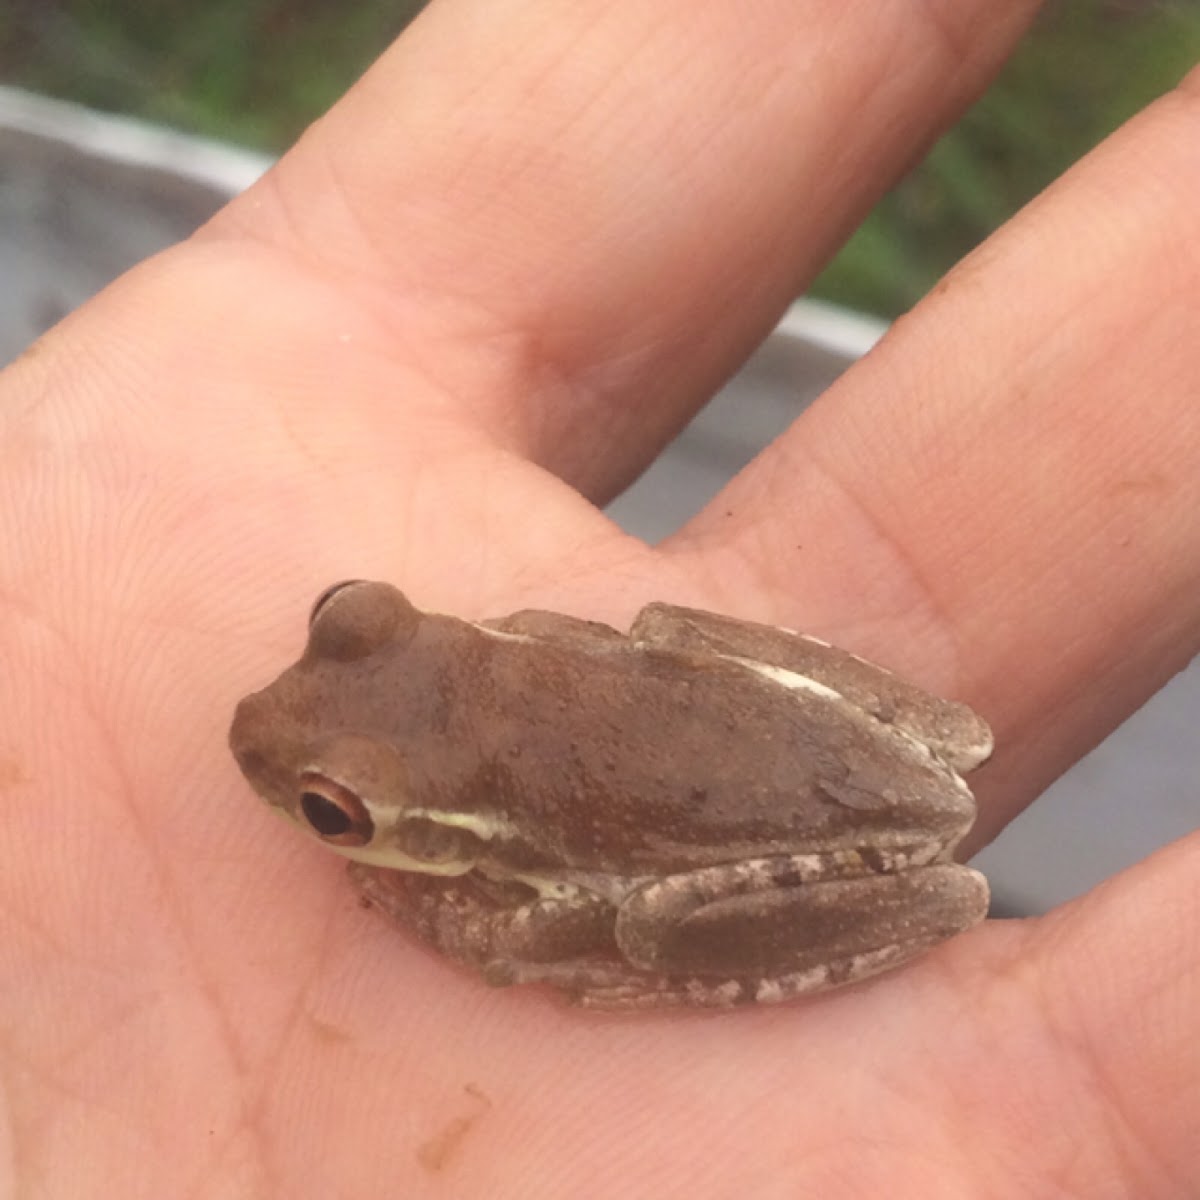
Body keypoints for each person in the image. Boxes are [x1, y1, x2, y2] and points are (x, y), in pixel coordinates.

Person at [1, 2, 1196, 1194]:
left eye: (335, 812)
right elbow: (570, 659)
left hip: (770, 832)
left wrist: (466, 925)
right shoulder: (499, 668)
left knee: (633, 921)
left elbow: (528, 933)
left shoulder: (512, 849)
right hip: (806, 736)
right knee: (666, 641)